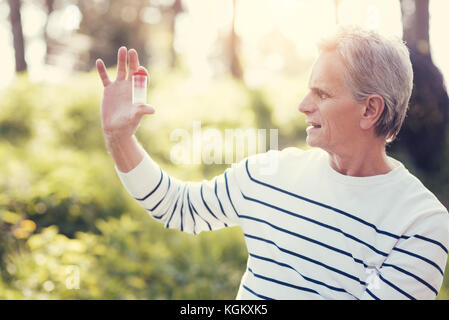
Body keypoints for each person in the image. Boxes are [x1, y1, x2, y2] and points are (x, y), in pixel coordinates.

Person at [96, 26, 449, 300]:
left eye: (322, 94)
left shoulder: (421, 222)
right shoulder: (269, 174)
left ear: (370, 109)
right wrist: (119, 138)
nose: (302, 104)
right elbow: (179, 208)